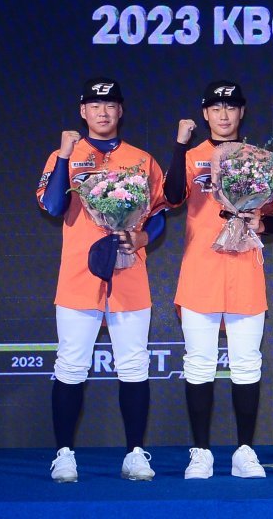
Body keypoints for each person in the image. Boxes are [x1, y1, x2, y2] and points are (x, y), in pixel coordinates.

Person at [37, 77, 166, 482]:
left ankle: (135, 453)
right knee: (71, 365)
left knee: (134, 365)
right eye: (95, 105)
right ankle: (64, 454)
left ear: (121, 111)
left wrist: (142, 236)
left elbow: (159, 213)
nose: (103, 112)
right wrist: (64, 155)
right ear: (83, 111)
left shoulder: (141, 159)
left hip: (129, 273)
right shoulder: (66, 155)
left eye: (110, 105)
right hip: (79, 276)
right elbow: (53, 205)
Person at [164, 80, 273, 480]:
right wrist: (179, 145)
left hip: (245, 270)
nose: (224, 115)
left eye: (231, 108)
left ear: (242, 112)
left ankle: (245, 451)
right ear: (205, 114)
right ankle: (200, 452)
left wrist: (259, 221)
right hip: (201, 272)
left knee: (247, 365)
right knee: (199, 365)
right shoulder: (191, 156)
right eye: (216, 108)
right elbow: (173, 196)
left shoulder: (257, 159)